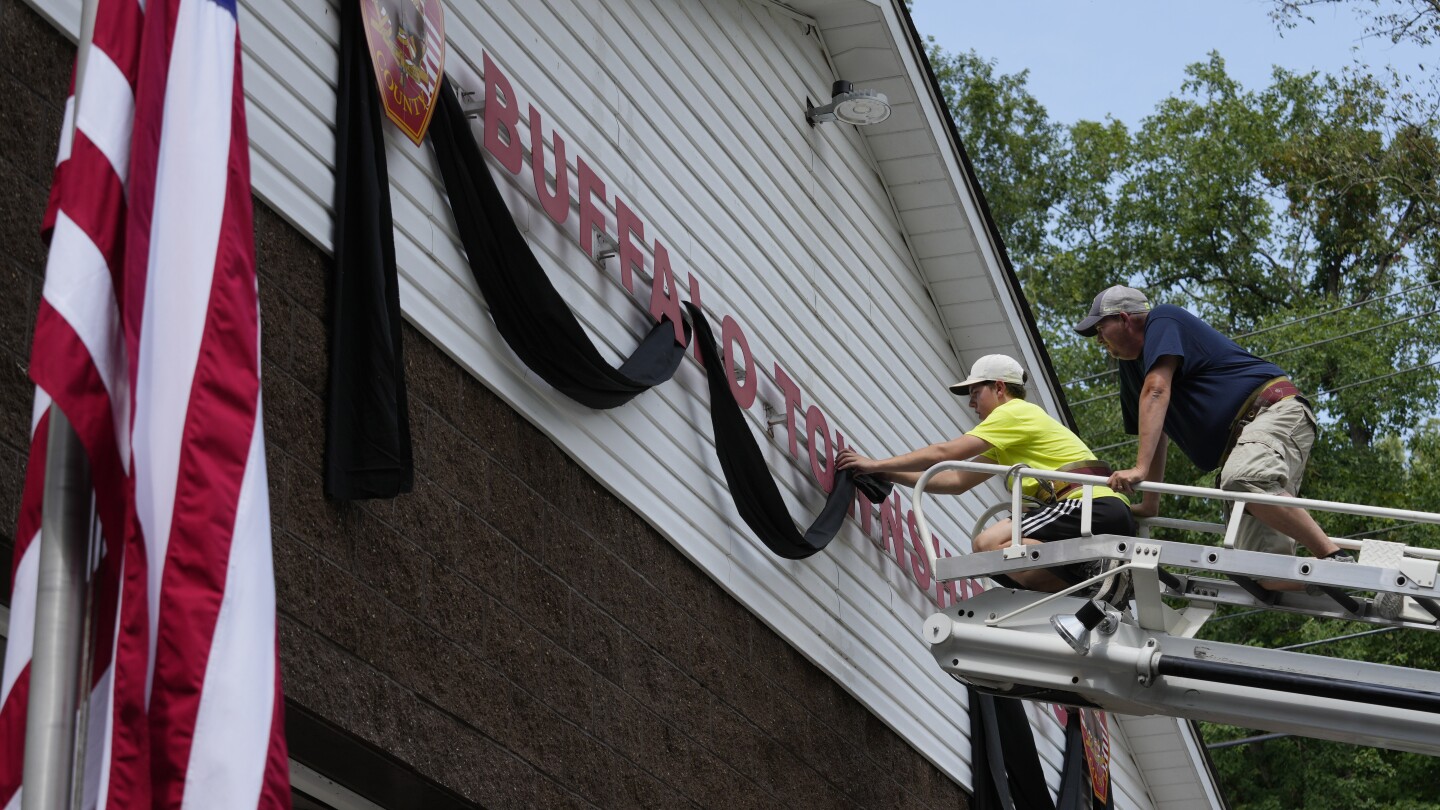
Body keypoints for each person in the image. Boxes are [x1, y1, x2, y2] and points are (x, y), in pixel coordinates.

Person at [1074, 285, 1348, 571]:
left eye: (1100, 329)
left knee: (1242, 479)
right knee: (1262, 572)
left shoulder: (1163, 319)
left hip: (1271, 412)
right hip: (1244, 446)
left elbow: (1156, 392)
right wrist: (1150, 501)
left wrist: (1138, 470)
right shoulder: (1131, 368)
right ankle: (1336, 583)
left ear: (1124, 319)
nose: (1098, 340)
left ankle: (1333, 557)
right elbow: (1157, 429)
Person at [836, 354, 1134, 601]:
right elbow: (955, 480)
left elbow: (944, 452)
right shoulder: (1010, 436)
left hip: (1088, 505)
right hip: (1089, 510)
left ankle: (1093, 574)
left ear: (1000, 388)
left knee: (988, 545)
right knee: (1004, 561)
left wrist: (874, 463)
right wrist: (886, 473)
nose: (971, 403)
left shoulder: (1013, 413)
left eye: (976, 393)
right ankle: (1093, 587)